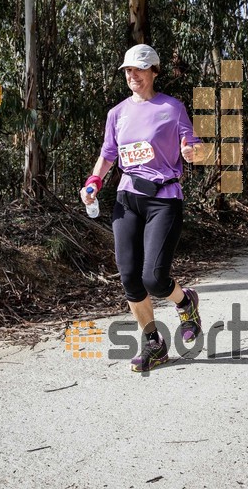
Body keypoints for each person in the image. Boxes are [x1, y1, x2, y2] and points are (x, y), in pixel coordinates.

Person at [80, 44, 204, 373]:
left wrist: (192, 151)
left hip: (164, 198)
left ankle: (185, 301)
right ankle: (154, 343)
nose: (132, 75)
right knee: (130, 277)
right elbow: (109, 154)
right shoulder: (117, 114)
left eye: (138, 69)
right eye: (127, 71)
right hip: (127, 197)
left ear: (153, 72)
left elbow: (192, 142)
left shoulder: (172, 108)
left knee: (154, 277)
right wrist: (94, 182)